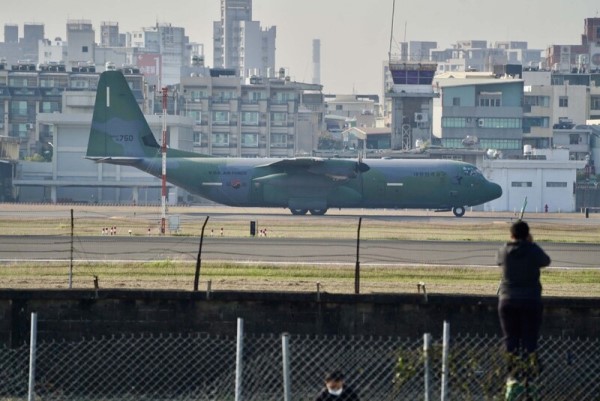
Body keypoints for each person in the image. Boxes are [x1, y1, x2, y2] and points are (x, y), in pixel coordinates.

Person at [497, 220, 551, 391]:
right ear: (527, 235)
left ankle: (511, 377)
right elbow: (546, 261)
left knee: (510, 340)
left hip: (507, 300)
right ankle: (530, 378)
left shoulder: (504, 251)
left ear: (511, 235)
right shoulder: (532, 250)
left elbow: (499, 260)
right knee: (530, 340)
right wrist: (531, 243)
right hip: (530, 300)